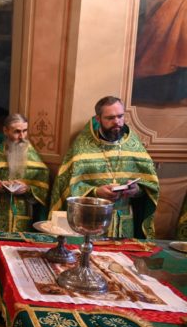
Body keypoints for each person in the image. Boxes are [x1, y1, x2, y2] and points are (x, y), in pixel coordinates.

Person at [50, 96, 159, 239]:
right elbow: (65, 186)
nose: (117, 122)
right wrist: (95, 192)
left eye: (120, 116)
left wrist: (136, 190)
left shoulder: (135, 147)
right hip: (90, 220)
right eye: (110, 118)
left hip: (124, 223)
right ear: (98, 119)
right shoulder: (82, 148)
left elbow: (151, 187)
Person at [0, 113, 49, 232]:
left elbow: (43, 189)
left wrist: (28, 189)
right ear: (5, 131)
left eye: (25, 131)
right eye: (17, 131)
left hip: (22, 215)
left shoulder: (32, 155)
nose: (22, 136)